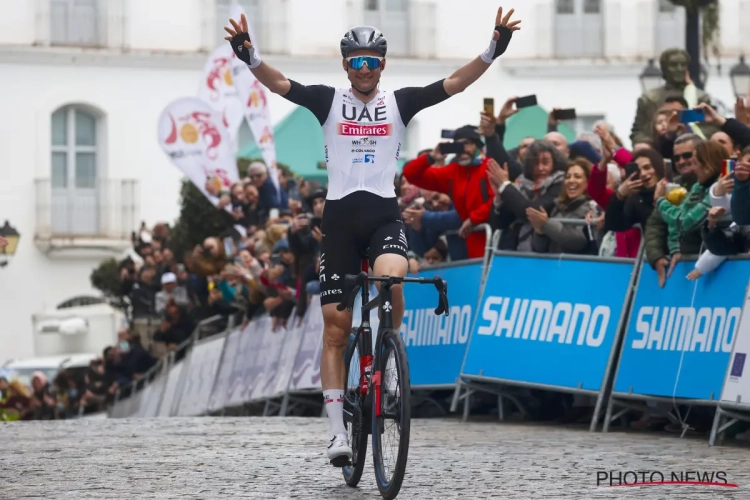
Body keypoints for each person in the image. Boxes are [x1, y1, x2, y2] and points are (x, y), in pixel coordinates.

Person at [225, 7, 522, 465]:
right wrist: (251, 57)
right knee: (335, 331)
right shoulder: (327, 100)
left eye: (372, 61)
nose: (364, 68)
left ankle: (387, 359)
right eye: (356, 61)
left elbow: (454, 84)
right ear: (346, 65)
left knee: (392, 280)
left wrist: (491, 50)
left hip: (384, 216)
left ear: (383, 64)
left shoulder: (400, 102)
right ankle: (336, 434)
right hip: (340, 223)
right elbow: (281, 85)